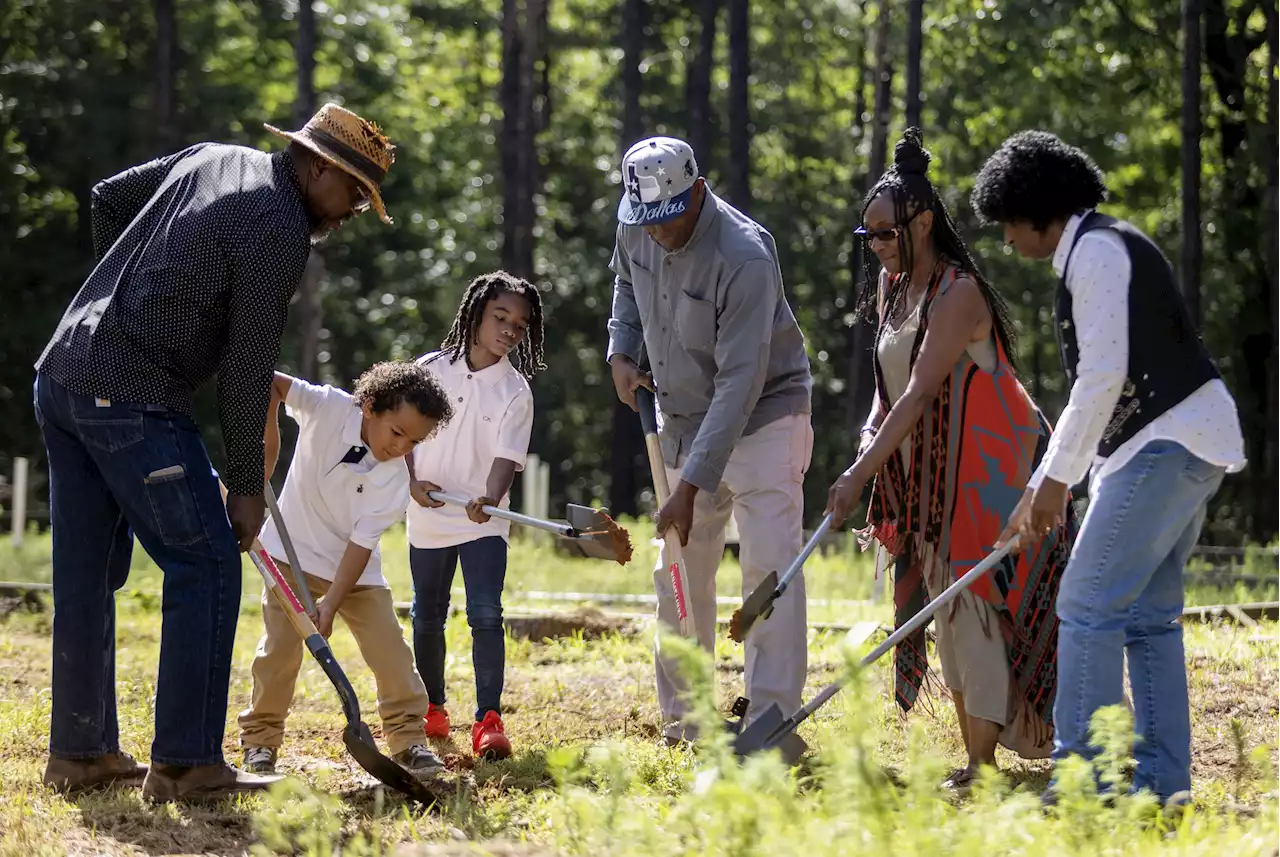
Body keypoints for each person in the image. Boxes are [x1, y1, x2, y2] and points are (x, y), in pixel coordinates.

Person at [33, 102, 395, 801]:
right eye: (352, 190)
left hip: (64, 375)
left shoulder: (213, 157)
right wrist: (245, 484)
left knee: (87, 578)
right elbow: (248, 363)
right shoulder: (279, 227)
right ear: (316, 165)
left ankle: (79, 753)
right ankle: (186, 763)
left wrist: (123, 292)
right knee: (205, 563)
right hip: (129, 395)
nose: (352, 210)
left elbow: (111, 199)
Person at [974, 130, 1247, 805]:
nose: (1008, 240)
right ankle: (1162, 787)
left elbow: (1101, 379)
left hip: (1170, 441)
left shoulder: (1095, 252)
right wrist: (1045, 487)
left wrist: (1054, 481)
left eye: (1009, 222)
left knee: (1086, 602)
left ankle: (1084, 781)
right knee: (1148, 614)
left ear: (1038, 209)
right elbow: (1108, 396)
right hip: (1185, 441)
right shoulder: (1103, 246)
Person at [825, 128, 1076, 791]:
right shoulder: (894, 288)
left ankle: (982, 764)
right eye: (868, 236)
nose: (876, 246)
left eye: (886, 233)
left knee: (974, 611)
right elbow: (886, 398)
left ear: (924, 222)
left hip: (993, 472)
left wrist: (860, 473)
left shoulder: (958, 291)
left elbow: (918, 391)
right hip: (931, 481)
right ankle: (982, 759)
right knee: (948, 608)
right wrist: (864, 450)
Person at [606, 135, 814, 744]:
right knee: (677, 564)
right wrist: (622, 347)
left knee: (768, 563)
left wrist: (691, 483)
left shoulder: (744, 255)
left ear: (697, 190)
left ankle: (772, 718)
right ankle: (687, 718)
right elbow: (626, 283)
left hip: (764, 415)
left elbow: (740, 382)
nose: (659, 233)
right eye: (646, 222)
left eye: (669, 218)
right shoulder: (635, 225)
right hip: (682, 414)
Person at [237, 361, 452, 779]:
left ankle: (409, 741)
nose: (401, 448)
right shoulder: (329, 407)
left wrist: (332, 603)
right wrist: (267, 444)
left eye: (414, 441)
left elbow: (359, 547)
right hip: (289, 553)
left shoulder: (393, 481)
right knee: (280, 650)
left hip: (353, 573)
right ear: (370, 406)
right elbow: (270, 381)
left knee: (391, 652)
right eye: (396, 432)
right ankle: (260, 742)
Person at [406, 271, 545, 760]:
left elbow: (507, 457)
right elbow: (404, 432)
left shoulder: (515, 391)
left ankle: (488, 720)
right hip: (428, 512)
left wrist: (490, 497)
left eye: (520, 325)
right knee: (428, 616)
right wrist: (411, 480)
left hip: (483, 518)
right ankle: (432, 707)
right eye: (500, 317)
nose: (510, 330)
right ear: (475, 314)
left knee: (486, 615)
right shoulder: (429, 369)